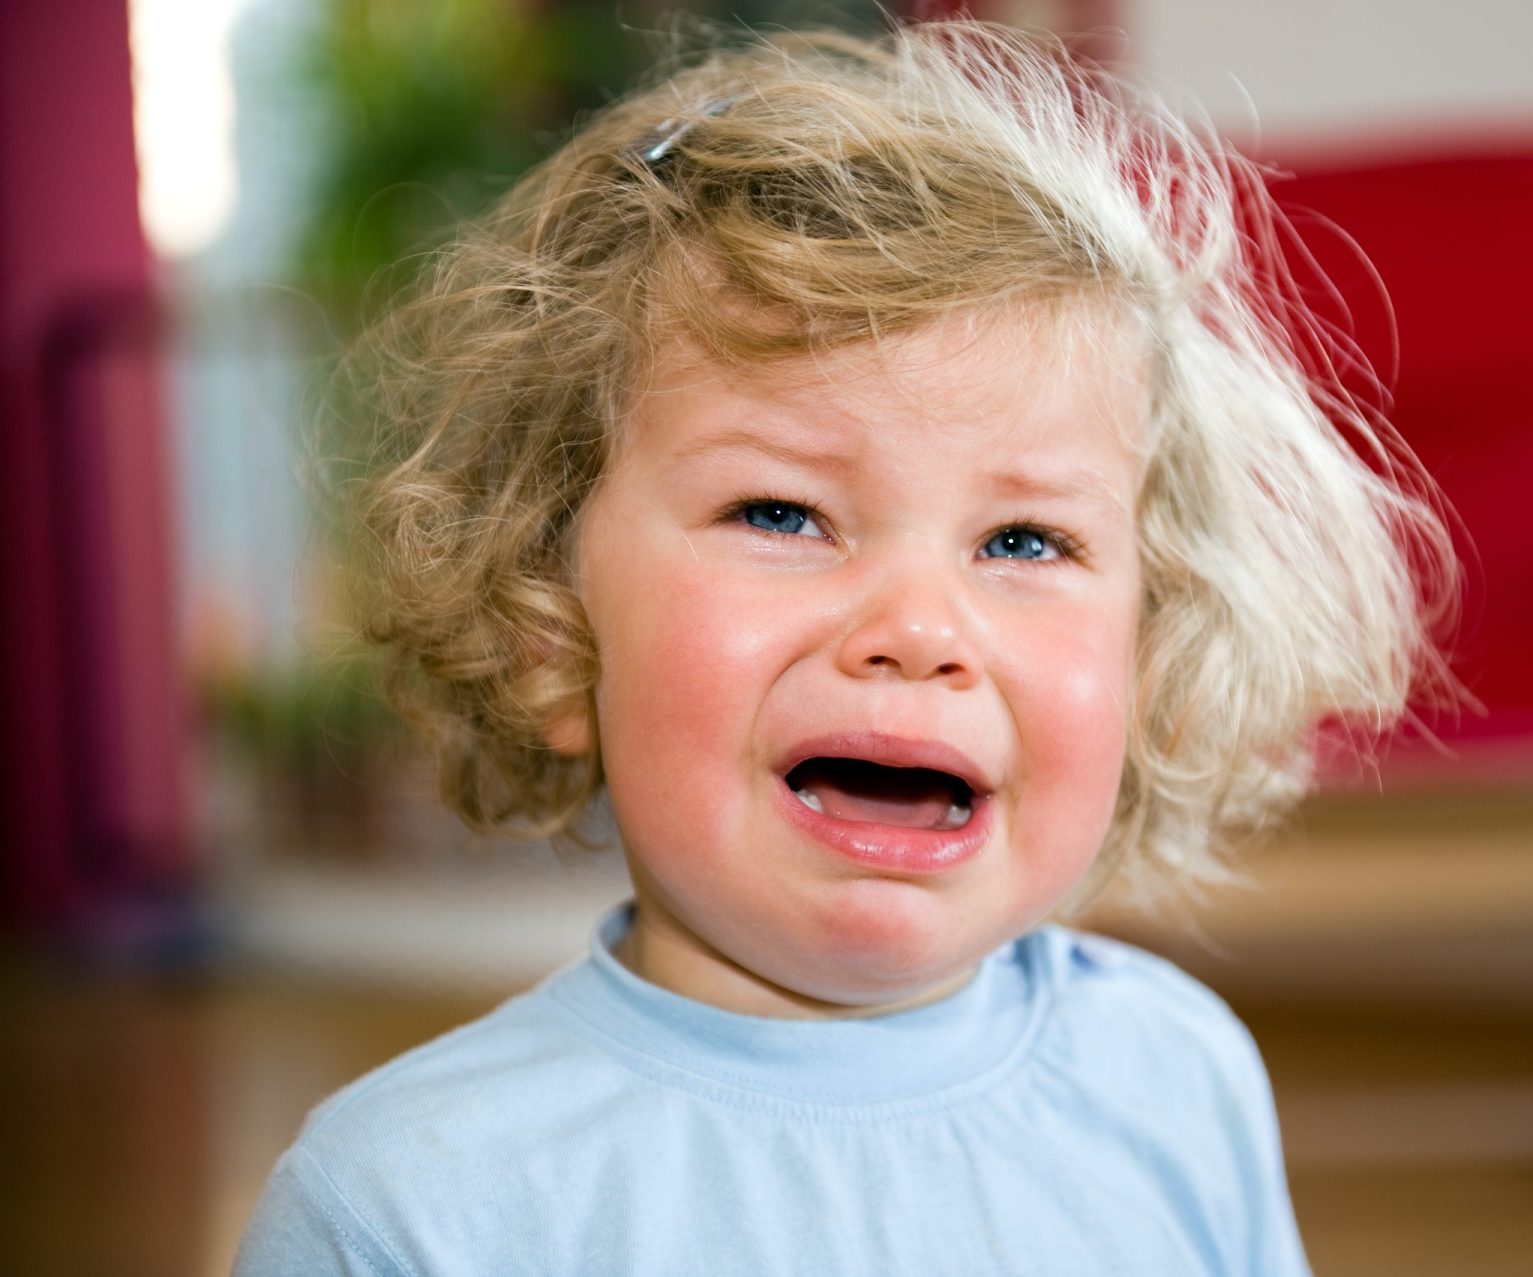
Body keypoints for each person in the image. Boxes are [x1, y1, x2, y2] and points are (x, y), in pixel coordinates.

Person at [234, 19, 1442, 1276]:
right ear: (556, 637)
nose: (918, 632)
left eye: (1025, 541)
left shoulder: (1180, 1080)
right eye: (781, 513)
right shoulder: (411, 1203)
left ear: (1153, 651)